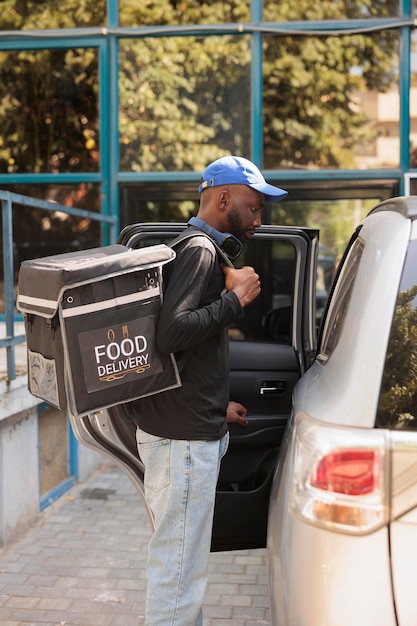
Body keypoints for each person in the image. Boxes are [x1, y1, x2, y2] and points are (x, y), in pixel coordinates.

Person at [130, 155, 287, 625]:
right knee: (177, 576)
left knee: (183, 571)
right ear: (223, 198)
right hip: (181, 446)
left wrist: (219, 408)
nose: (258, 219)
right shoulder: (198, 250)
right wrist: (235, 300)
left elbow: (185, 357)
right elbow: (173, 334)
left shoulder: (199, 248)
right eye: (254, 207)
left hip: (186, 431)